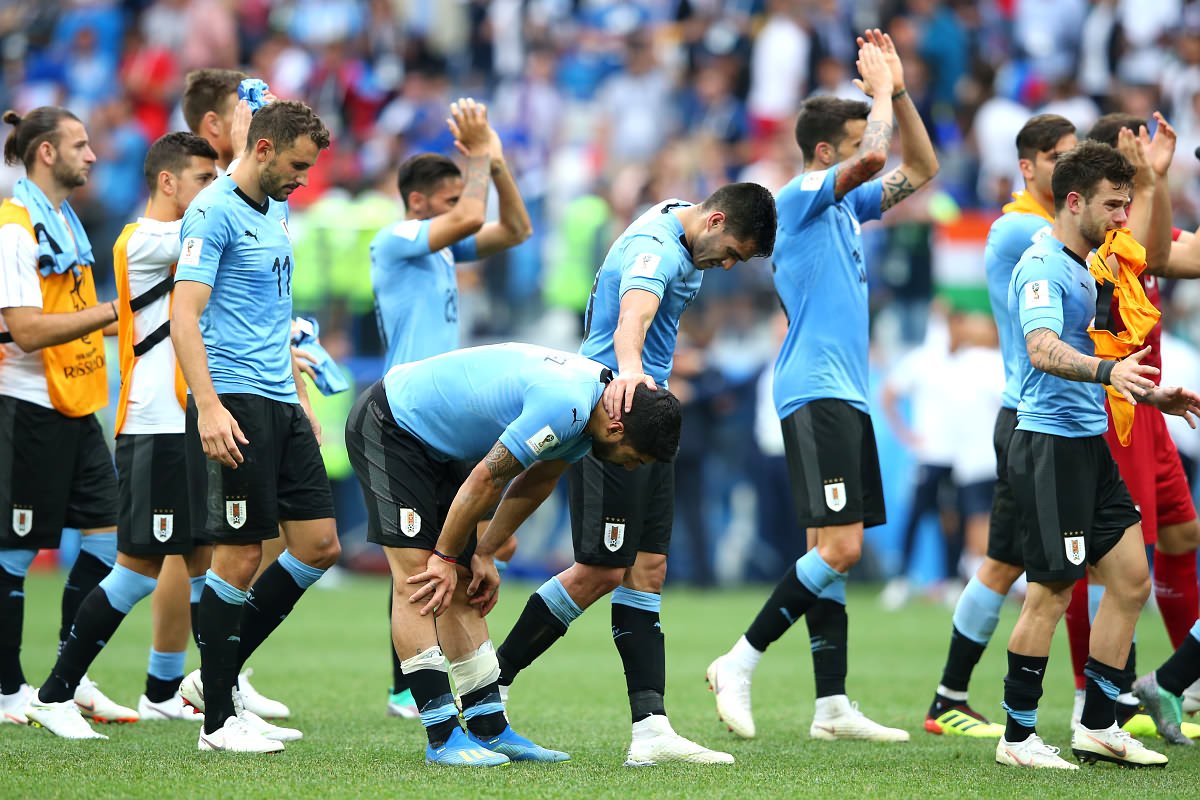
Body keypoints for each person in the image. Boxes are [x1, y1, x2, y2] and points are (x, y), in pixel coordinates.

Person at [480, 173, 775, 765]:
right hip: (613, 414)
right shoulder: (656, 248)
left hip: (649, 414)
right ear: (716, 222)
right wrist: (633, 373)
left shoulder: (685, 223)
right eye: (732, 254)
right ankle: (489, 689)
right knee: (599, 570)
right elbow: (631, 319)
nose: (726, 266)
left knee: (648, 568)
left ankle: (650, 729)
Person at [707, 29, 938, 742]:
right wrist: (879, 94)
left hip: (843, 391)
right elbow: (877, 157)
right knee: (841, 549)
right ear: (823, 151)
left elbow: (922, 166)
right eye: (857, 135)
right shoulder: (801, 195)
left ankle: (831, 706)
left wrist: (899, 93)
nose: (872, 143)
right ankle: (738, 661)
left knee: (825, 548)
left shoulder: (845, 207)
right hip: (816, 388)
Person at [347, 342, 681, 765]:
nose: (630, 468)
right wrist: (444, 557)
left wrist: (483, 553)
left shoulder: (590, 413)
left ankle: (488, 728)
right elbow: (486, 479)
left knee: (465, 582)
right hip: (392, 424)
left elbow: (537, 481)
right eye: (634, 459)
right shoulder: (566, 405)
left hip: (438, 446)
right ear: (616, 430)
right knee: (420, 578)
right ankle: (442, 736)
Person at [994, 140, 1189, 769]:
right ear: (1074, 201)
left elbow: (1098, 356)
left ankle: (1101, 725)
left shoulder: (1092, 265)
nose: (1122, 217)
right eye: (1113, 204)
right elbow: (1042, 348)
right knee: (1051, 592)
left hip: (1088, 443)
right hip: (1049, 446)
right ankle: (1018, 737)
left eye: (1126, 203)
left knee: (1131, 580)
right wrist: (1109, 372)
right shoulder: (1043, 266)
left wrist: (1152, 395)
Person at [22, 132, 219, 738]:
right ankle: (54, 694)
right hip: (154, 423)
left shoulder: (186, 236)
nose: (212, 193)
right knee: (137, 570)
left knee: (204, 561)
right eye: (203, 180)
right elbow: (222, 227)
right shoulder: (144, 240)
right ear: (167, 181)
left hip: (189, 420)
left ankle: (216, 704)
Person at [171, 100, 338, 754]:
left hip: (279, 399)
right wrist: (209, 406)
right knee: (239, 555)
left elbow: (274, 312)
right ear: (264, 151)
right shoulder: (212, 212)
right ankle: (217, 721)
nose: (304, 178)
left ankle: (215, 677)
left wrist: (300, 398)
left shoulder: (274, 207)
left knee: (319, 544)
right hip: (233, 398)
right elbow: (185, 315)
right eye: (297, 165)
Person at [370, 98, 532, 719]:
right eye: (446, 199)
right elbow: (471, 216)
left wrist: (498, 165)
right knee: (419, 554)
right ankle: (407, 688)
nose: (459, 209)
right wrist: (481, 155)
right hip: (405, 415)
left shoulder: (439, 250)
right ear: (417, 203)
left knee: (457, 547)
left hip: (446, 414)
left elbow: (515, 231)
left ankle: (438, 680)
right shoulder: (397, 241)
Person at [139, 67, 292, 724]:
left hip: (238, 387)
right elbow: (187, 303)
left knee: (240, 543)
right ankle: (165, 685)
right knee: (192, 548)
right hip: (188, 393)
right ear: (221, 124)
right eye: (251, 110)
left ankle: (214, 673)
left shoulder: (252, 198)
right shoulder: (200, 201)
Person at [921, 114, 1076, 739]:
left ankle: (948, 698)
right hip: (1037, 415)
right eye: (1059, 157)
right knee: (1070, 568)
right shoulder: (1022, 228)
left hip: (1036, 413)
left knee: (1003, 563)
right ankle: (1099, 706)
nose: (1069, 168)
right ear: (1028, 166)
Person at [1060, 112, 1200, 737]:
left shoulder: (1138, 218)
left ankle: (1181, 683)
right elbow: (1149, 258)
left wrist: (1158, 180)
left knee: (1182, 536)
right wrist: (1147, 183)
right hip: (1118, 409)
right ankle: (1097, 694)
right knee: (1114, 560)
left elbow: (1177, 255)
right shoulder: (1096, 237)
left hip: (1154, 407)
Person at [0, 106, 126, 727]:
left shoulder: (66, 220)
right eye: (80, 144)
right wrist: (114, 311)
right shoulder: (14, 227)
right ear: (46, 152)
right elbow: (25, 330)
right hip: (27, 406)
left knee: (108, 536)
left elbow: (69, 312)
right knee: (15, 552)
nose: (93, 155)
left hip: (77, 400)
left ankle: (67, 678)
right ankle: (8, 692)